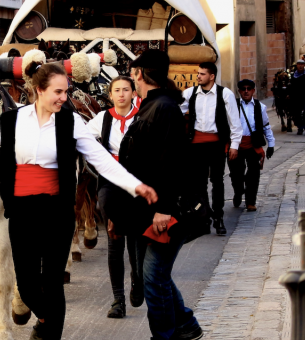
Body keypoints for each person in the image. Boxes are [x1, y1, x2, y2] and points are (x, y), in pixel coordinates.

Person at [0, 62, 157, 340]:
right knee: (27, 285)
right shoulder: (13, 120)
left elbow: (101, 159)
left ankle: (50, 331)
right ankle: (46, 318)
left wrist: (135, 185)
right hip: (21, 211)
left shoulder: (71, 123)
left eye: (66, 91)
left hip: (56, 211)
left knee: (52, 282)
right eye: (58, 92)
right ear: (39, 90)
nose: (63, 97)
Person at [101, 49, 203, 340]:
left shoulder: (165, 108)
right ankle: (185, 324)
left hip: (166, 212)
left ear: (139, 74)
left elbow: (171, 165)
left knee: (152, 277)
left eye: (132, 72)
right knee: (156, 276)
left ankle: (164, 335)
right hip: (147, 211)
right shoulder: (149, 105)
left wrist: (164, 210)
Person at [85, 76, 147, 319]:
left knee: (136, 239)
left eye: (126, 90)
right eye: (116, 90)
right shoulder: (102, 118)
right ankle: (117, 300)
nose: (121, 94)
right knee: (114, 238)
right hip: (111, 181)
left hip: (137, 180)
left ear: (133, 93)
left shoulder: (143, 116)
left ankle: (137, 279)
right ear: (110, 95)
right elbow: (82, 138)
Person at [180, 62, 243, 236]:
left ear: (212, 76)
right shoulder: (190, 93)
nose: (198, 76)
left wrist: (234, 145)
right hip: (195, 145)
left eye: (202, 74)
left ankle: (219, 217)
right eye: (198, 73)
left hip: (216, 144)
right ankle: (204, 216)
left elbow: (234, 123)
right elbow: (177, 111)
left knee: (217, 181)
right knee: (199, 184)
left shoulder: (225, 94)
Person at [229, 79, 275, 211]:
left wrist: (271, 144)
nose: (246, 91)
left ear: (253, 91)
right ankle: (238, 192)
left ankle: (250, 201)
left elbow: (266, 126)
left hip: (253, 144)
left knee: (253, 174)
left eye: (249, 88)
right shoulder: (233, 106)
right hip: (235, 144)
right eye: (243, 89)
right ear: (239, 91)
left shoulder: (260, 107)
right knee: (236, 174)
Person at [288, 59, 305, 134]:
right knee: (297, 113)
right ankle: (300, 128)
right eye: (299, 64)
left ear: (304, 65)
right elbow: (291, 87)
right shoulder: (293, 76)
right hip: (296, 98)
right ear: (297, 65)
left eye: (302, 64)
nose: (300, 66)